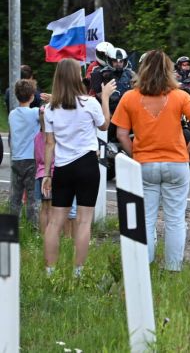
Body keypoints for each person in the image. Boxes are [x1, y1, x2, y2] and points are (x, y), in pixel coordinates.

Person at [112, 50, 190, 271]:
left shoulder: (130, 97)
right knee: (175, 219)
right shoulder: (180, 96)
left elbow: (121, 133)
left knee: (147, 219)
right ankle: (173, 268)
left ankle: (146, 264)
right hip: (177, 162)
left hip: (145, 164)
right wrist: (188, 151)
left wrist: (135, 155)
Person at [42, 58, 115, 277]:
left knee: (55, 222)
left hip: (63, 167)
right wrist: (105, 98)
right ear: (77, 77)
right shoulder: (89, 103)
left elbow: (49, 144)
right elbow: (104, 124)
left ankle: (50, 271)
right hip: (87, 164)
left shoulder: (50, 108)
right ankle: (78, 271)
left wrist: (47, 174)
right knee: (84, 221)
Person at [34, 105, 77, 236]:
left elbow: (36, 157)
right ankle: (54, 234)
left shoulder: (36, 137)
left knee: (44, 208)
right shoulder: (54, 138)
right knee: (55, 208)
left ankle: (43, 233)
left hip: (40, 175)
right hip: (52, 175)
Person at [8, 79, 40, 226]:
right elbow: (51, 109)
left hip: (16, 159)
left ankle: (13, 227)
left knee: (16, 197)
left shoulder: (12, 115)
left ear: (15, 95)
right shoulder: (35, 113)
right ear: (32, 96)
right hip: (31, 159)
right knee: (32, 197)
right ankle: (32, 227)